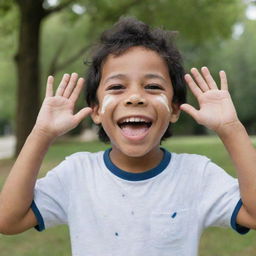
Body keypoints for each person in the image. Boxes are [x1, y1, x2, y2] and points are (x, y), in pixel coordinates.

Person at [0, 17, 256, 256]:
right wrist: (42, 134)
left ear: (175, 109)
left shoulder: (196, 175)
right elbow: (8, 219)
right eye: (117, 87)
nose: (135, 97)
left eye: (153, 87)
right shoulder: (76, 174)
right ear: (97, 110)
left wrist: (231, 129)